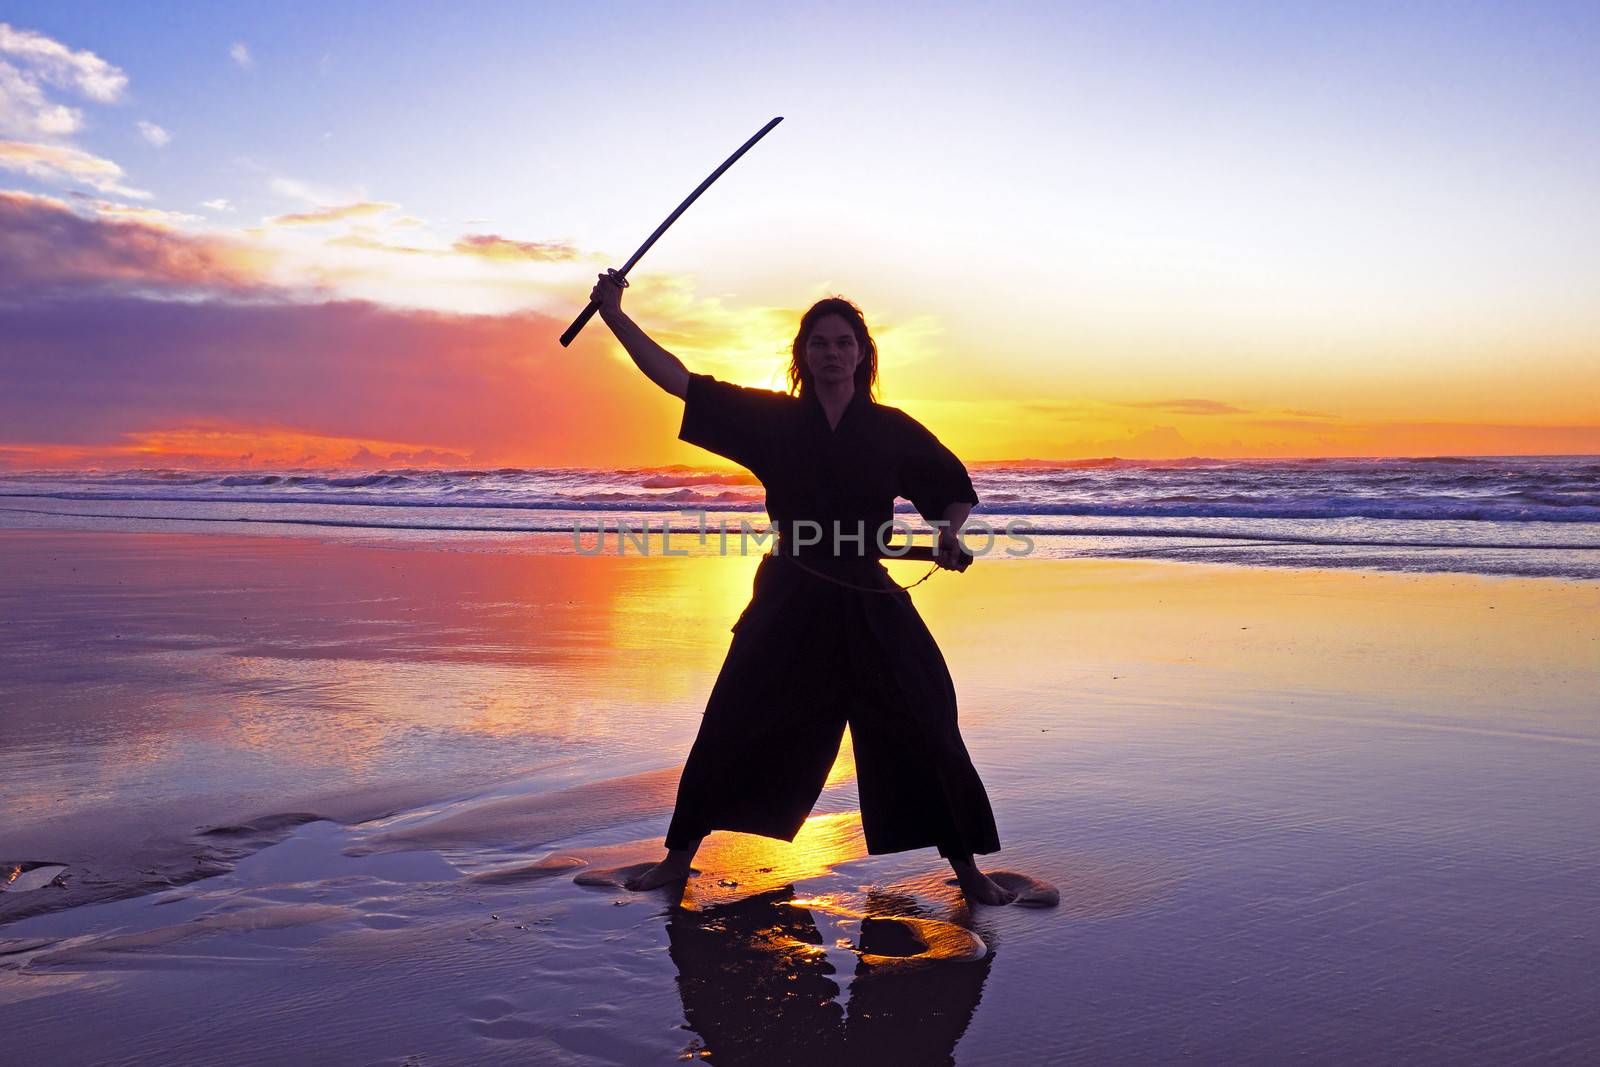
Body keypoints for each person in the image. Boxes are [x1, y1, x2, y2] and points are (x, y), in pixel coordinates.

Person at [590, 271, 1017, 905]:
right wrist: (615, 316)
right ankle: (677, 862)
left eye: (844, 342)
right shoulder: (774, 422)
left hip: (869, 595)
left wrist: (948, 536)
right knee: (732, 719)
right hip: (791, 591)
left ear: (863, 353)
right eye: (819, 343)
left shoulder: (892, 428)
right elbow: (681, 382)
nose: (832, 353)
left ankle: (968, 873)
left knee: (926, 718)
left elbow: (953, 490)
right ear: (803, 355)